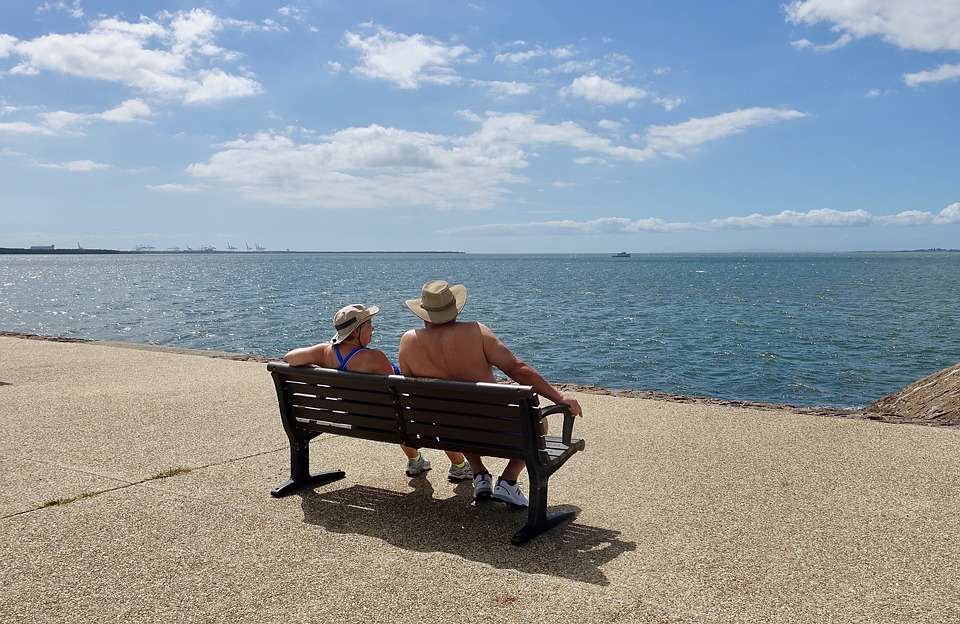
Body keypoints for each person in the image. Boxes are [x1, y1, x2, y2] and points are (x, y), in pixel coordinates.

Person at [398, 280, 583, 508]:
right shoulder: (476, 331)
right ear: (454, 310)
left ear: (424, 314)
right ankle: (509, 480)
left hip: (446, 429)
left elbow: (410, 392)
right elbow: (516, 369)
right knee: (538, 422)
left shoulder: (408, 342)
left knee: (454, 415)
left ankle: (480, 475)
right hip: (493, 427)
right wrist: (560, 399)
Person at [283, 303, 472, 481]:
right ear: (356, 331)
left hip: (358, 420)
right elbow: (397, 391)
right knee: (428, 414)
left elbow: (290, 357)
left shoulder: (325, 352)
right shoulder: (373, 357)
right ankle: (459, 465)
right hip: (392, 421)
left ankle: (416, 461)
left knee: (399, 417)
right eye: (369, 326)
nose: (373, 330)